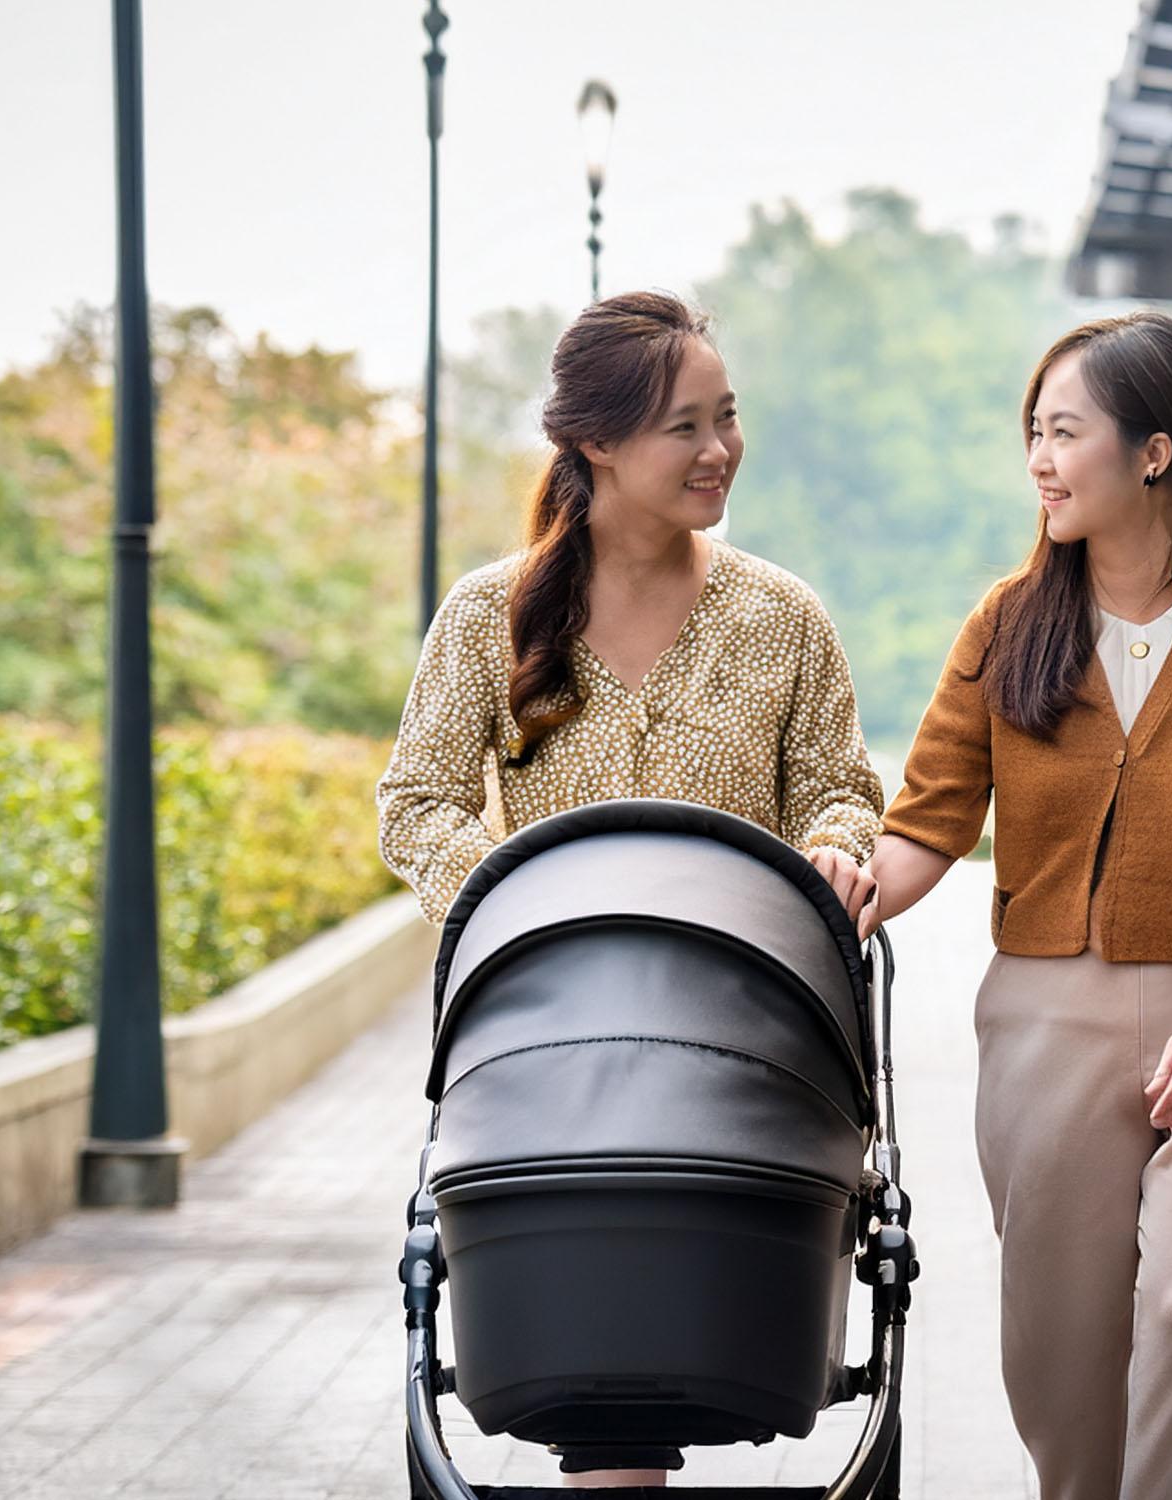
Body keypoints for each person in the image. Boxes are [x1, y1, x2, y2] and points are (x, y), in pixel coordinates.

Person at [376, 290, 882, 1490]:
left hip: (742, 1060)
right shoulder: (487, 617)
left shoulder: (781, 618)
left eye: (729, 418)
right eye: (684, 428)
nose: (720, 452)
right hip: (558, 1059)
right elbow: (416, 805)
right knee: (603, 1417)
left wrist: (839, 847)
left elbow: (840, 792)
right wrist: (511, 905)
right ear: (595, 443)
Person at [861, 310, 1172, 1499]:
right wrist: (845, 893)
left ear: (1154, 451)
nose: (1041, 463)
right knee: (1059, 1372)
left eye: (1065, 433)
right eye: (1033, 435)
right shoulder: (1008, 626)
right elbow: (927, 822)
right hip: (1044, 1036)